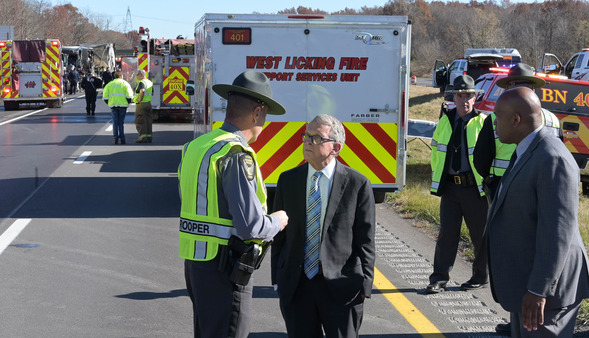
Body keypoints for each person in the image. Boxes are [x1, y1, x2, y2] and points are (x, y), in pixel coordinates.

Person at [178, 70, 289, 338]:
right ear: (257, 113)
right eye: (266, 116)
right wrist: (279, 220)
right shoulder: (235, 154)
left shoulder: (198, 146)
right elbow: (251, 226)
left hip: (196, 263)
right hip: (225, 269)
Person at [487, 87, 589, 337]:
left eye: (498, 117)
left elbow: (557, 233)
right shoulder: (527, 150)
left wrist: (538, 290)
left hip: (547, 292)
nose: (495, 124)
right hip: (526, 280)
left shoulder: (551, 158)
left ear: (516, 120)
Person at [271, 114, 376, 337]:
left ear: (335, 148)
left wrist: (364, 287)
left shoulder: (357, 184)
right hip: (297, 287)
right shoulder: (288, 180)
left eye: (316, 138)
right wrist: (277, 279)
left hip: (342, 287)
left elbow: (365, 240)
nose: (307, 142)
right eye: (306, 136)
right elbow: (280, 237)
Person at [427, 75, 488, 294]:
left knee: (480, 235)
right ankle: (439, 278)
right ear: (453, 97)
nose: (464, 100)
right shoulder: (445, 120)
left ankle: (480, 276)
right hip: (451, 188)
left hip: (475, 189)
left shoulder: (484, 122)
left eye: (469, 96)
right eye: (460, 95)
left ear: (475, 98)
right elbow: (436, 150)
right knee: (447, 234)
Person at [474, 63, 562, 207]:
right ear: (533, 89)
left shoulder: (494, 119)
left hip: (503, 188)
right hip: (544, 191)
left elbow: (480, 162)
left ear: (507, 89)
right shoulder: (553, 120)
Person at [102, 70, 133, 145]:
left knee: (115, 123)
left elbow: (105, 97)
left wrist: (109, 103)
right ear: (122, 76)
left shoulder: (109, 84)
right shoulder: (125, 84)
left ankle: (115, 138)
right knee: (121, 123)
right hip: (123, 106)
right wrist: (128, 103)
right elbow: (129, 96)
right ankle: (122, 139)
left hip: (113, 106)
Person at [133, 70, 154, 143]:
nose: (137, 76)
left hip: (141, 105)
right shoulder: (149, 82)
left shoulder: (142, 82)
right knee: (148, 121)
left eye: (137, 74)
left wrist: (140, 99)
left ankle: (142, 138)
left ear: (142, 75)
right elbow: (152, 92)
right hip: (148, 103)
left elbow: (142, 90)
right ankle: (148, 137)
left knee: (140, 121)